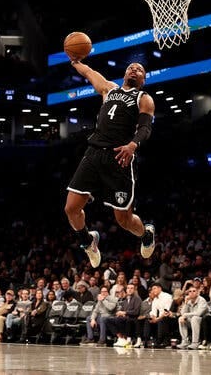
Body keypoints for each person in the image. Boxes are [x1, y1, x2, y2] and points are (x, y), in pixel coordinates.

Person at [64, 60, 156, 268]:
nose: (134, 69)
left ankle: (146, 234)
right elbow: (88, 71)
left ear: (143, 79)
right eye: (131, 67)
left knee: (123, 220)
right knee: (71, 208)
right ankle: (88, 242)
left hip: (119, 158)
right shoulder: (108, 88)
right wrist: (75, 60)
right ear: (124, 73)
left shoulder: (144, 99)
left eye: (140, 69)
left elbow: (145, 128)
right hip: (94, 153)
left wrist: (132, 145)